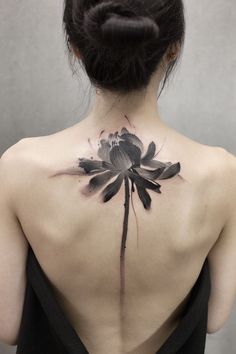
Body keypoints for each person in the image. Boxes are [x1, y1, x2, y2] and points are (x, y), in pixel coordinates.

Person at [0, 1, 235, 353]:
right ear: (174, 47)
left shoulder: (19, 167)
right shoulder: (222, 173)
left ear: (75, 48)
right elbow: (215, 319)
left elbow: (9, 326)